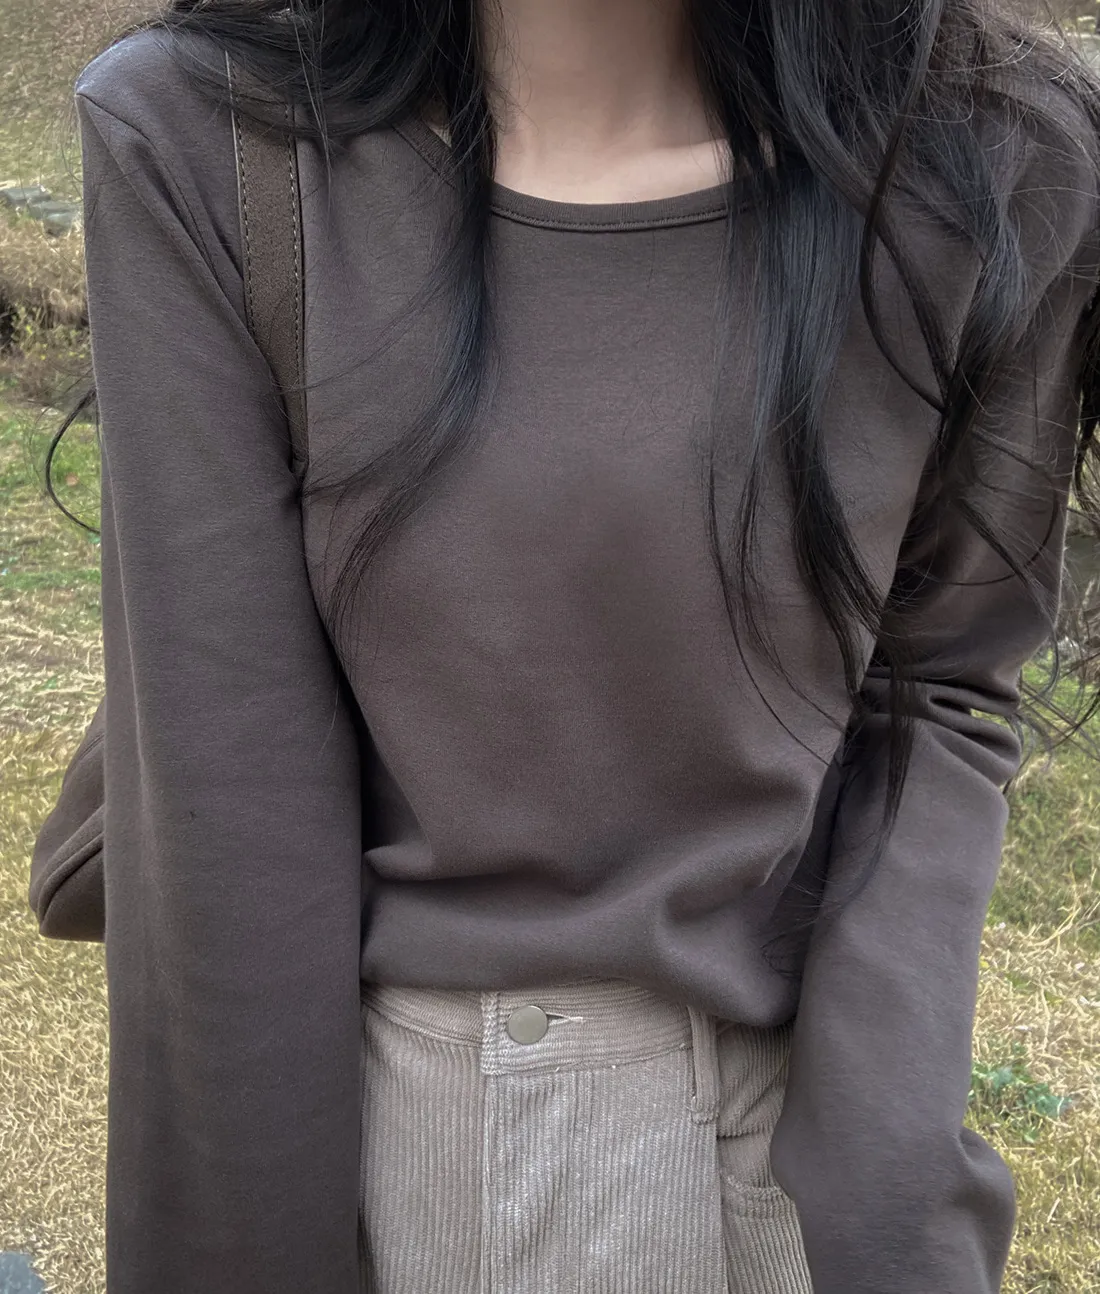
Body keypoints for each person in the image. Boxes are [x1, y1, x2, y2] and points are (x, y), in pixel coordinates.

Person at [28, 0, 1100, 1291]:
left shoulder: (1000, 163)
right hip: (416, 1155)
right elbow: (227, 804)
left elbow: (941, 690)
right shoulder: (209, 146)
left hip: (794, 1162)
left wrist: (891, 1195)